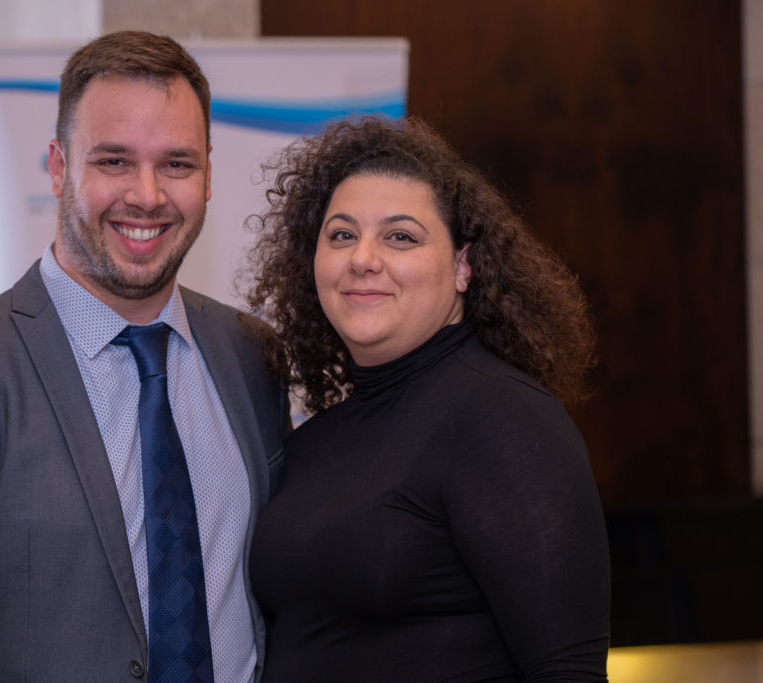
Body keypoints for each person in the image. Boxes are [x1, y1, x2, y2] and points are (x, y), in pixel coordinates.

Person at [0, 31, 290, 682]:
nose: (147, 195)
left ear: (207, 173)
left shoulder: (252, 355)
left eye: (177, 164)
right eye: (114, 161)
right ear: (58, 167)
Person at [244, 116, 611, 682]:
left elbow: (566, 669)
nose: (362, 258)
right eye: (341, 235)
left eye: (400, 237)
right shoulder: (314, 440)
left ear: (463, 266)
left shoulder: (504, 418)